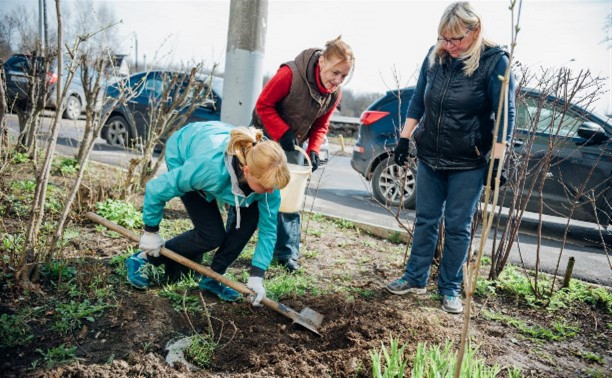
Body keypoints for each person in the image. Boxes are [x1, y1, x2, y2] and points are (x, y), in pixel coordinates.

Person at [386, 1, 516, 314]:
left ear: (475, 31)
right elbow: (419, 99)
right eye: (444, 37)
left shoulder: (494, 62)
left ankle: (450, 289)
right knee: (426, 219)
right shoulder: (436, 56)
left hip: (468, 161)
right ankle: (415, 277)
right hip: (431, 154)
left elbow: (505, 114)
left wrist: (497, 159)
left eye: (455, 39)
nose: (448, 45)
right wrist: (405, 138)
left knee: (458, 226)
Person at [125, 121, 290, 306]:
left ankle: (214, 277)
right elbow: (157, 189)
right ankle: (143, 259)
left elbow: (268, 231)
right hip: (185, 151)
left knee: (249, 221)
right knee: (211, 235)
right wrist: (150, 232)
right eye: (266, 187)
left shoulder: (268, 184)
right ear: (247, 171)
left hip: (222, 159)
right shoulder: (207, 169)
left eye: (273, 187)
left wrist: (257, 276)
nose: (271, 192)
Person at [251, 36, 354, 272]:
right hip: (264, 137)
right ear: (322, 63)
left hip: (292, 145)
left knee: (289, 196)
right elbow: (263, 105)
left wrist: (314, 149)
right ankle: (232, 240)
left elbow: (320, 126)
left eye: (344, 76)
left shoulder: (334, 94)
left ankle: (286, 254)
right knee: (251, 188)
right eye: (335, 73)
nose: (338, 81)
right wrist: (282, 131)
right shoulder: (290, 74)